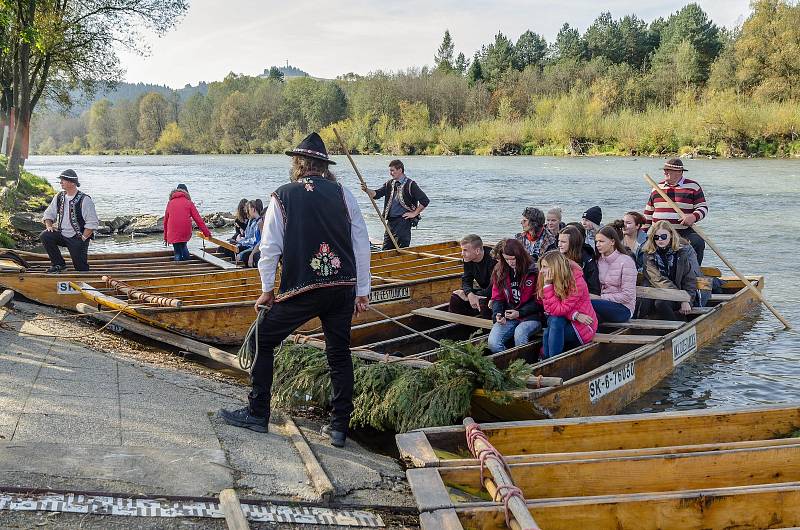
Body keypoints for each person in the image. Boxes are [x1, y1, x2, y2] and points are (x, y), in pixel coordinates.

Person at [219, 132, 370, 449]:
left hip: (302, 287)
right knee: (338, 354)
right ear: (324, 166)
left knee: (262, 338)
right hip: (342, 286)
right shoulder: (343, 193)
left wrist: (266, 290)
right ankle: (340, 427)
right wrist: (362, 289)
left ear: (299, 164)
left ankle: (257, 413)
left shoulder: (282, 195)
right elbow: (361, 243)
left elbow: (270, 248)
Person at [643, 158, 708, 264]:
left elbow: (702, 208)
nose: (665, 172)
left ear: (679, 172)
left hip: (683, 231)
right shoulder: (657, 187)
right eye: (665, 170)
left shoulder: (693, 187)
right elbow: (648, 212)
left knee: (698, 242)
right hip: (659, 231)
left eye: (669, 170)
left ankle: (694, 272)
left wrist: (692, 217)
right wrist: (643, 232)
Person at [487, 238, 543, 354]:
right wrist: (498, 314)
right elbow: (497, 297)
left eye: (513, 259)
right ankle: (510, 365)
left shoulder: (534, 271)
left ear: (520, 255)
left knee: (520, 333)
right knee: (493, 343)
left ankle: (525, 365)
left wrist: (520, 312)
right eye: (507, 259)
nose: (511, 262)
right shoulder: (500, 271)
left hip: (532, 316)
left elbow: (540, 300)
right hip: (509, 315)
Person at [538, 251, 597, 358]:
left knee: (552, 327)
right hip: (567, 320)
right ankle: (548, 362)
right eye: (541, 267)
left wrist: (547, 286)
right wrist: (575, 315)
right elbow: (548, 309)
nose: (541, 271)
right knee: (552, 325)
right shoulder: (546, 279)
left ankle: (551, 362)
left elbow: (559, 310)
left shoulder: (576, 282)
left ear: (555, 267)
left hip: (583, 326)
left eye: (545, 267)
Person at [40, 169, 100, 273]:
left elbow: (92, 222)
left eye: (63, 180)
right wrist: (49, 226)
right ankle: (59, 264)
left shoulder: (85, 200)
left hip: (78, 238)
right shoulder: (60, 196)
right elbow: (49, 214)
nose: (60, 182)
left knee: (81, 269)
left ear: (72, 183)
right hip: (62, 235)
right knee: (45, 235)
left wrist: (83, 238)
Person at [361, 159, 429, 250]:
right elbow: (377, 194)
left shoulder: (410, 184)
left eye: (393, 170)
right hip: (390, 223)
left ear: (400, 170)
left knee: (401, 250)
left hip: (403, 222)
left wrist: (414, 213)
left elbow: (425, 200)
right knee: (386, 249)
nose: (391, 173)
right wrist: (366, 190)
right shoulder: (390, 183)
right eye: (390, 171)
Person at [639, 221, 701, 320]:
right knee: (654, 303)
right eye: (656, 237)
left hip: (678, 293)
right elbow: (658, 280)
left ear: (671, 235)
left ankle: (679, 326)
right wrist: (681, 298)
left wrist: (686, 300)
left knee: (661, 303)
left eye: (663, 236)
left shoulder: (681, 253)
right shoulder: (649, 255)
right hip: (658, 292)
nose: (660, 240)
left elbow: (689, 280)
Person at [592, 226, 637, 323]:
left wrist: (600, 298)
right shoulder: (598, 261)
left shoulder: (626, 261)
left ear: (612, 242)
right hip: (602, 305)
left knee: (588, 303)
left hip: (623, 308)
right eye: (596, 242)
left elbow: (627, 295)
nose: (597, 245)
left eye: (601, 241)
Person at [449, 234, 495, 319]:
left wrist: (475, 295)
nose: (462, 254)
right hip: (484, 291)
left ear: (477, 251)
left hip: (498, 293)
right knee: (455, 296)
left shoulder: (493, 259)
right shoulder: (468, 259)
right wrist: (469, 294)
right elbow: (466, 280)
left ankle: (486, 328)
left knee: (483, 303)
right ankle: (459, 325)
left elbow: (494, 287)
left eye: (465, 250)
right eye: (462, 250)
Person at [163, 184, 212, 261]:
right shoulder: (189, 203)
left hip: (172, 231)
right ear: (186, 192)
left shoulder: (170, 203)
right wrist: (206, 233)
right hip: (185, 231)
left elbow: (165, 221)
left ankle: (178, 268)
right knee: (183, 246)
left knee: (177, 252)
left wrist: (165, 237)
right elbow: (198, 219)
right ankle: (188, 264)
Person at [557, 225, 600, 295]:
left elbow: (594, 290)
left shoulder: (587, 261)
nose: (559, 244)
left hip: (583, 297)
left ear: (573, 243)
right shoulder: (557, 257)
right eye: (559, 241)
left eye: (563, 242)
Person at [236, 200, 263, 266]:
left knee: (242, 255)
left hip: (255, 247)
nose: (247, 211)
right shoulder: (253, 221)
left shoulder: (260, 222)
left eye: (249, 209)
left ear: (253, 209)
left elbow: (258, 241)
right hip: (253, 246)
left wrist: (241, 241)